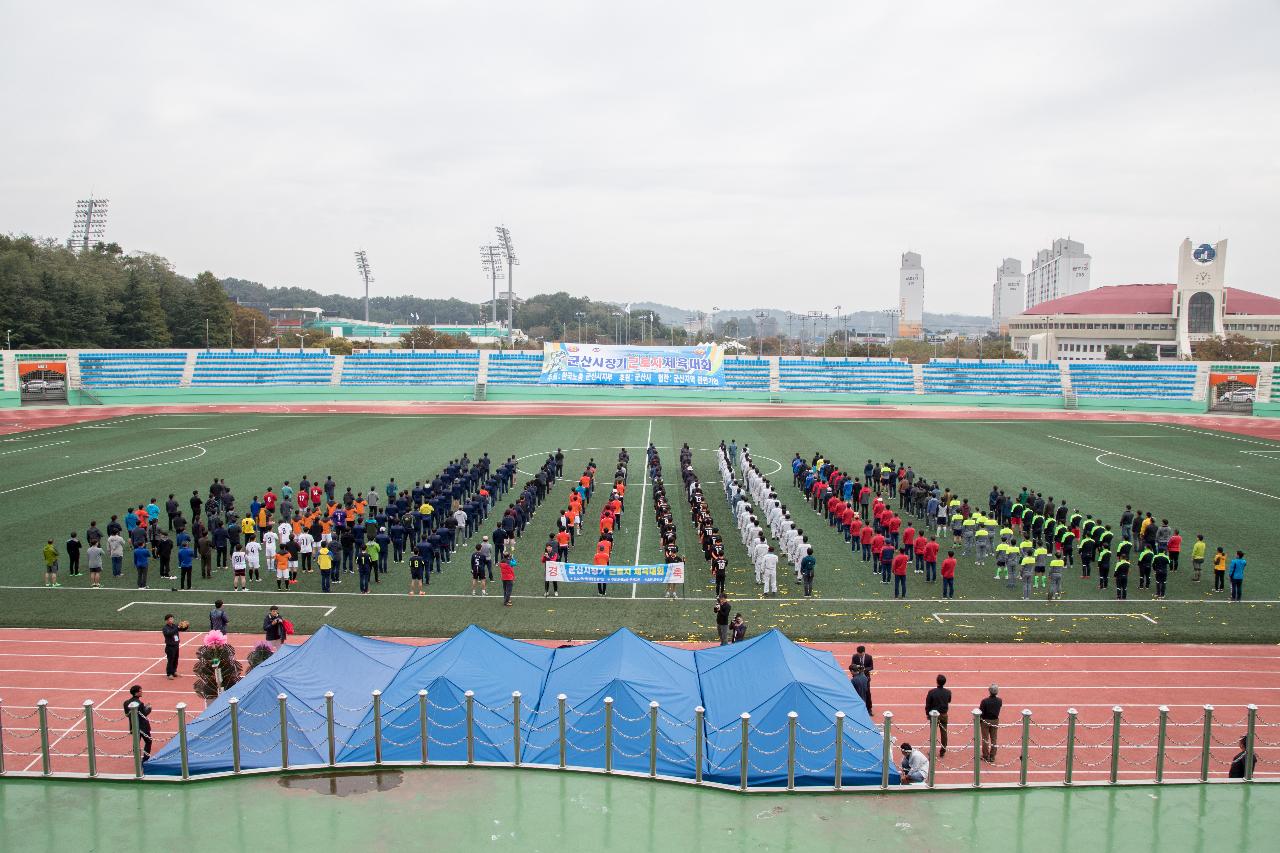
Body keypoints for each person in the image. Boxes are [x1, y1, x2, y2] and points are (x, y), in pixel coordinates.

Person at [925, 674, 952, 758]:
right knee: (944, 734)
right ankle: (943, 751)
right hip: (944, 714)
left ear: (937, 681)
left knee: (933, 734)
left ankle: (932, 751)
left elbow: (928, 704)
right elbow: (949, 701)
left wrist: (927, 714)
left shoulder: (932, 692)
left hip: (934, 715)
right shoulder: (948, 692)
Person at [124, 685, 153, 760]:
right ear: (136, 693)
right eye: (140, 691)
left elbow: (127, 715)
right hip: (143, 726)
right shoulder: (140, 703)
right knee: (148, 741)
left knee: (136, 743)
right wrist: (149, 708)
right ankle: (145, 759)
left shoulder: (126, 703)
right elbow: (143, 714)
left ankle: (136, 758)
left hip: (134, 726)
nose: (142, 692)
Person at [979, 685, 1002, 763]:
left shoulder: (985, 701)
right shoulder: (999, 701)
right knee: (994, 739)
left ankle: (985, 755)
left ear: (989, 691)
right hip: (995, 720)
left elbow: (980, 712)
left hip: (985, 720)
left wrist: (980, 721)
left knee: (985, 739)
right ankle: (992, 756)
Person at [162, 614, 189, 680]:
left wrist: (186, 626)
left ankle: (174, 671)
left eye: (172, 619)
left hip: (176, 645)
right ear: (166, 620)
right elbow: (169, 633)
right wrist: (177, 627)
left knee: (175, 659)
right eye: (170, 619)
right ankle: (169, 674)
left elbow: (181, 629)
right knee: (170, 660)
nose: (172, 620)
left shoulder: (174, 626)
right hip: (170, 647)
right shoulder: (165, 628)